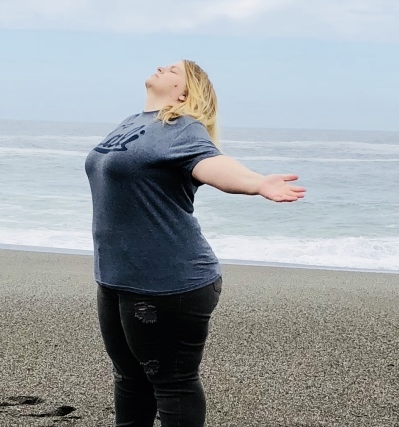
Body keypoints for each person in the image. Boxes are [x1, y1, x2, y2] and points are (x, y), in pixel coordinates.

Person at [84, 59, 306, 427]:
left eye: (173, 70)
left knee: (172, 383)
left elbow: (212, 164)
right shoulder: (133, 123)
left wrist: (257, 182)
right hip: (116, 276)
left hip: (168, 281)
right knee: (129, 379)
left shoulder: (182, 128)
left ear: (184, 93)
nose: (161, 67)